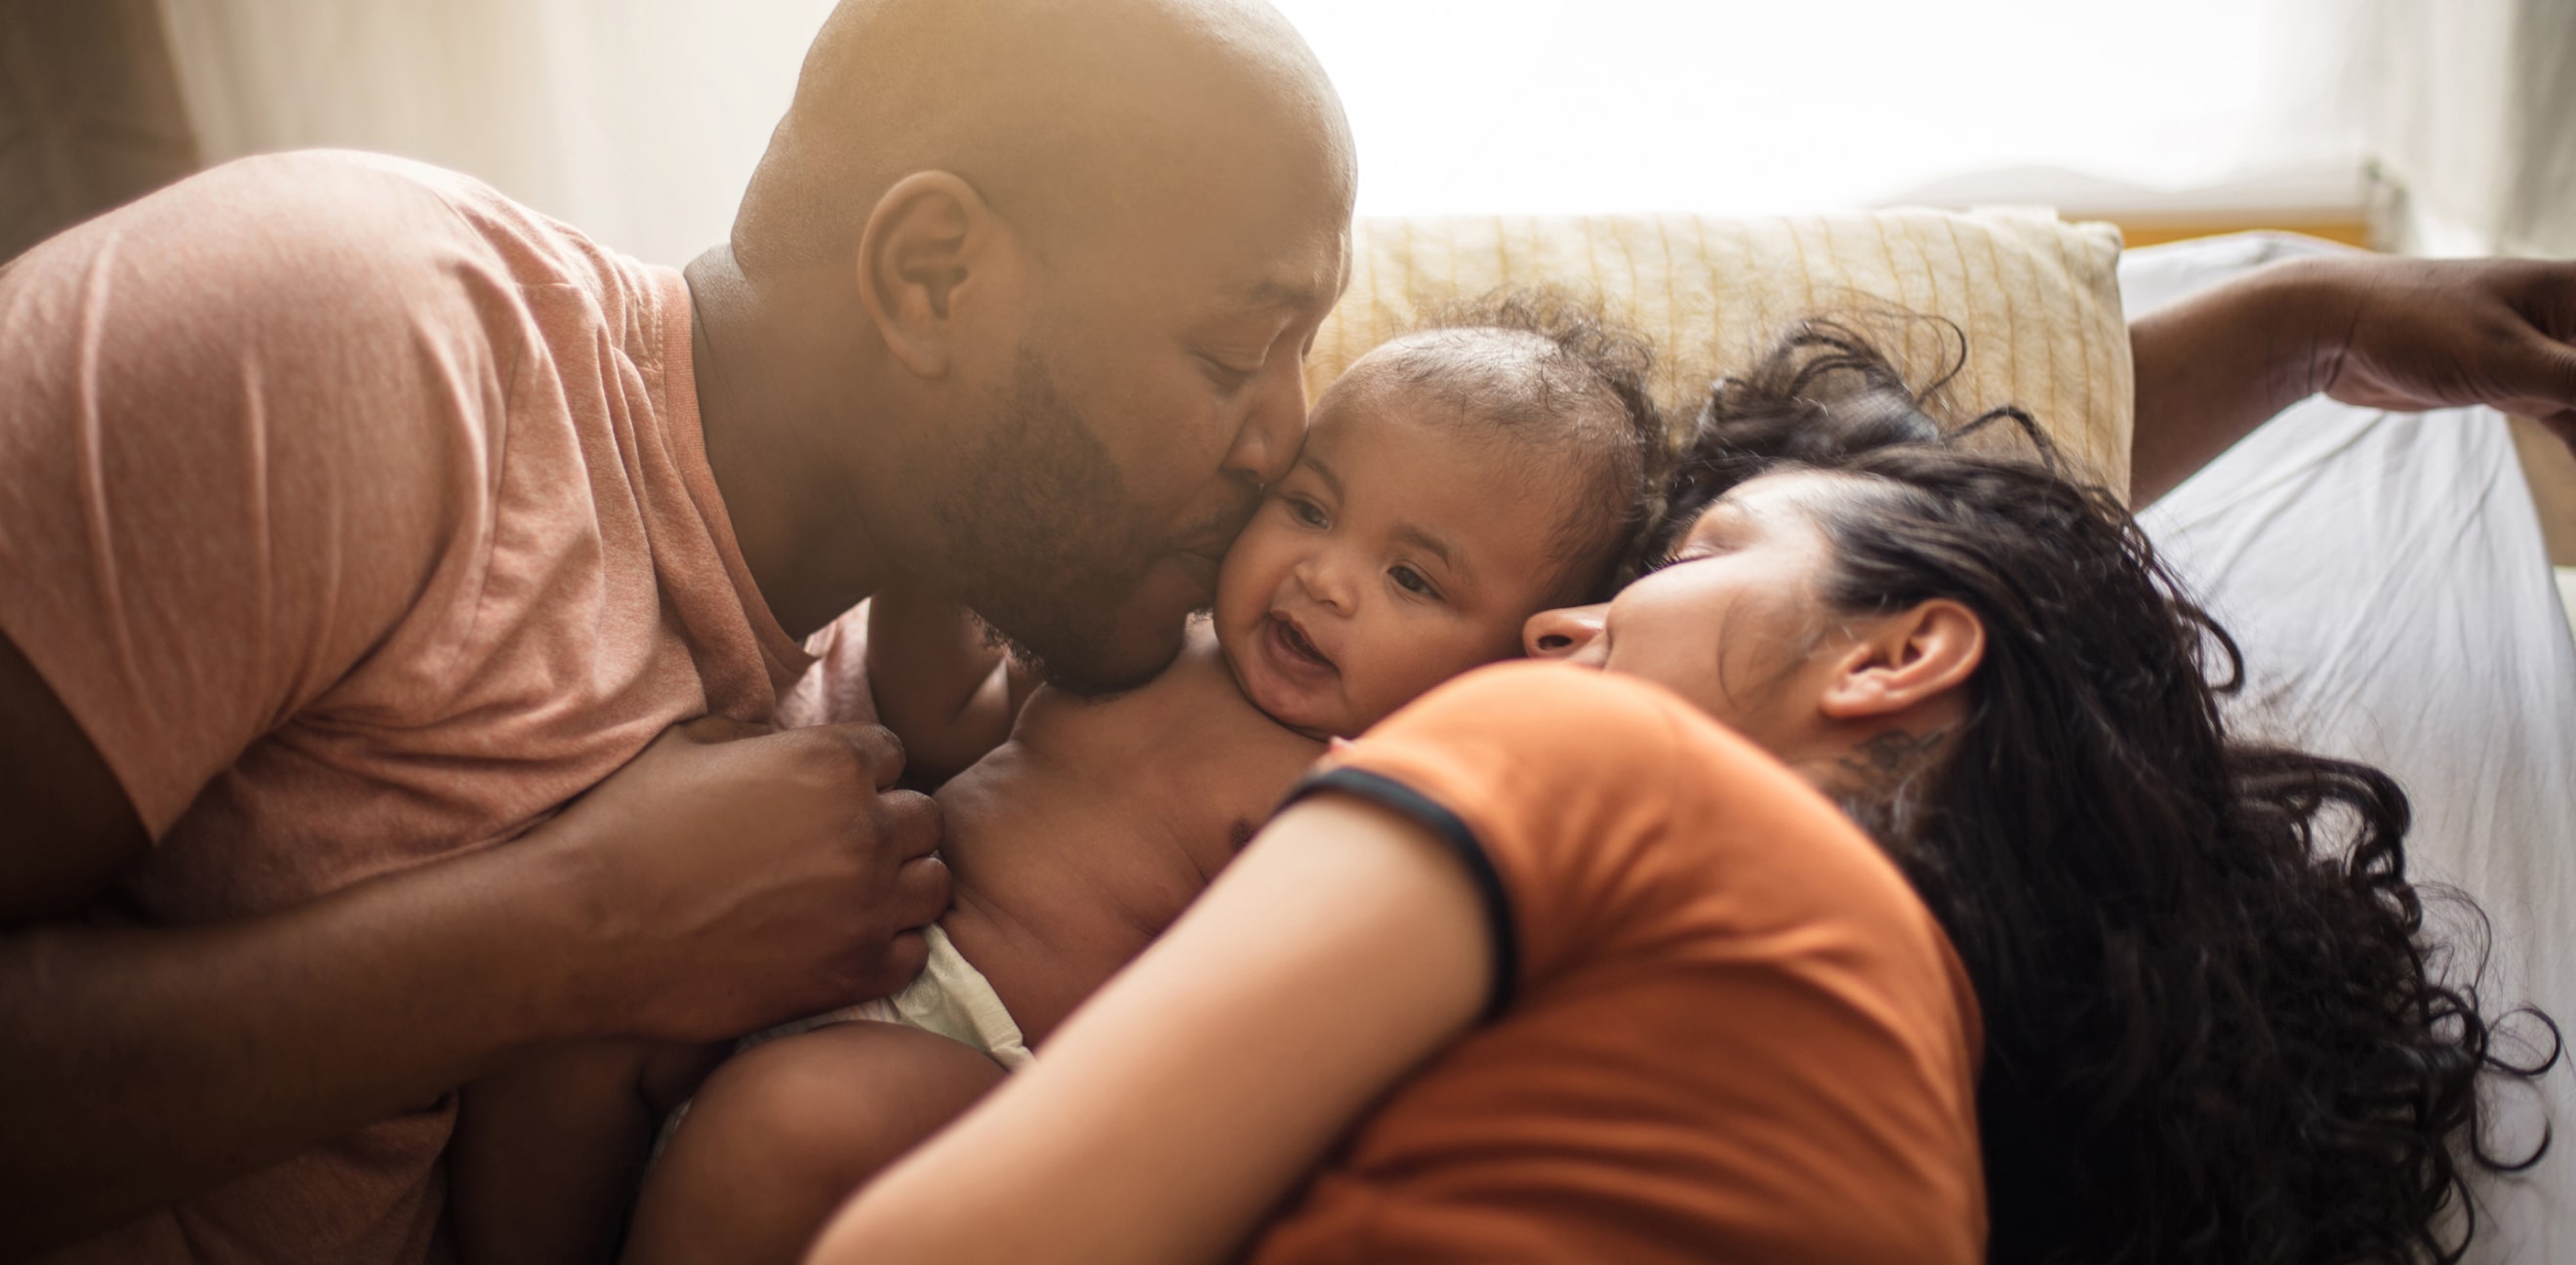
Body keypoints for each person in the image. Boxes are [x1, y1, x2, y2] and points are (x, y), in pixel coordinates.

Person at [0, 0, 1353, 1258]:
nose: (1284, 437)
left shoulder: (897, 765)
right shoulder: (364, 341)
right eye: (1236, 354)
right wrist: (580, 930)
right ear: (934, 276)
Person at [798, 312, 2569, 1264]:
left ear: (1889, 663)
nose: (1563, 622)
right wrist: (2304, 329)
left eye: (1701, 550)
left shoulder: (1591, 754)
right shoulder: (1921, 1147)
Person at [587, 298, 1667, 1265]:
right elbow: (940, 720)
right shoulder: (1155, 636)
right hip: (835, 958)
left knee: (781, 1128)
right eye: (1309, 508)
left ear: (1513, 662)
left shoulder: (1361, 799)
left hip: (997, 1074)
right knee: (579, 1035)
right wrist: (929, 557)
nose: (1323, 578)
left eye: (1411, 577)